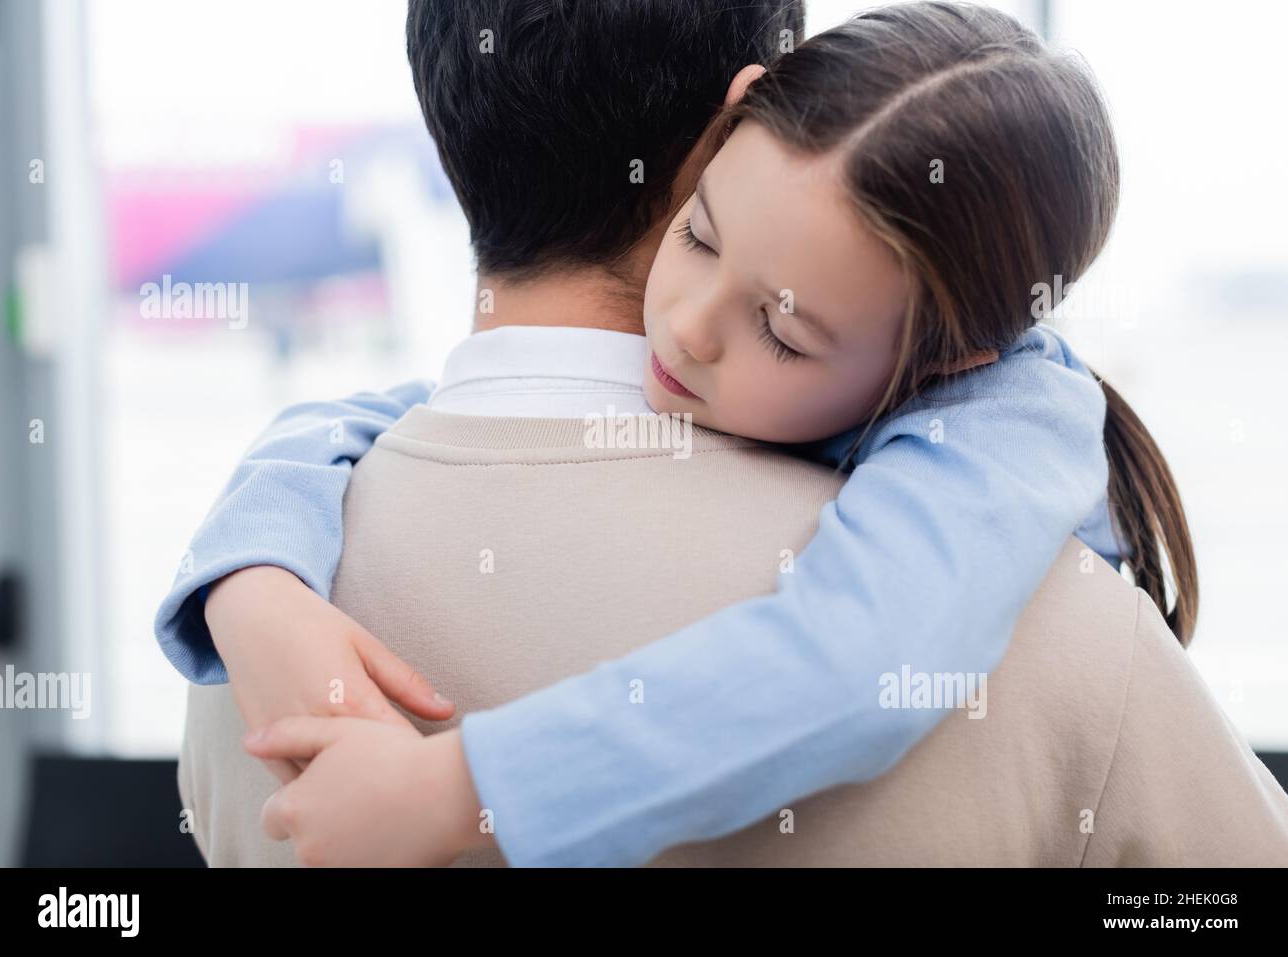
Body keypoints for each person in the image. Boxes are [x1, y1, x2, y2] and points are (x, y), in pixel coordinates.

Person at [169, 3, 1271, 867]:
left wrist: (460, 789)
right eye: (698, 235)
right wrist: (252, 576)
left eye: (784, 335)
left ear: (944, 364)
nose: (686, 334)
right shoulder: (284, 599)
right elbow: (381, 408)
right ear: (726, 128)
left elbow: (852, 661)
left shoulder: (1000, 455)